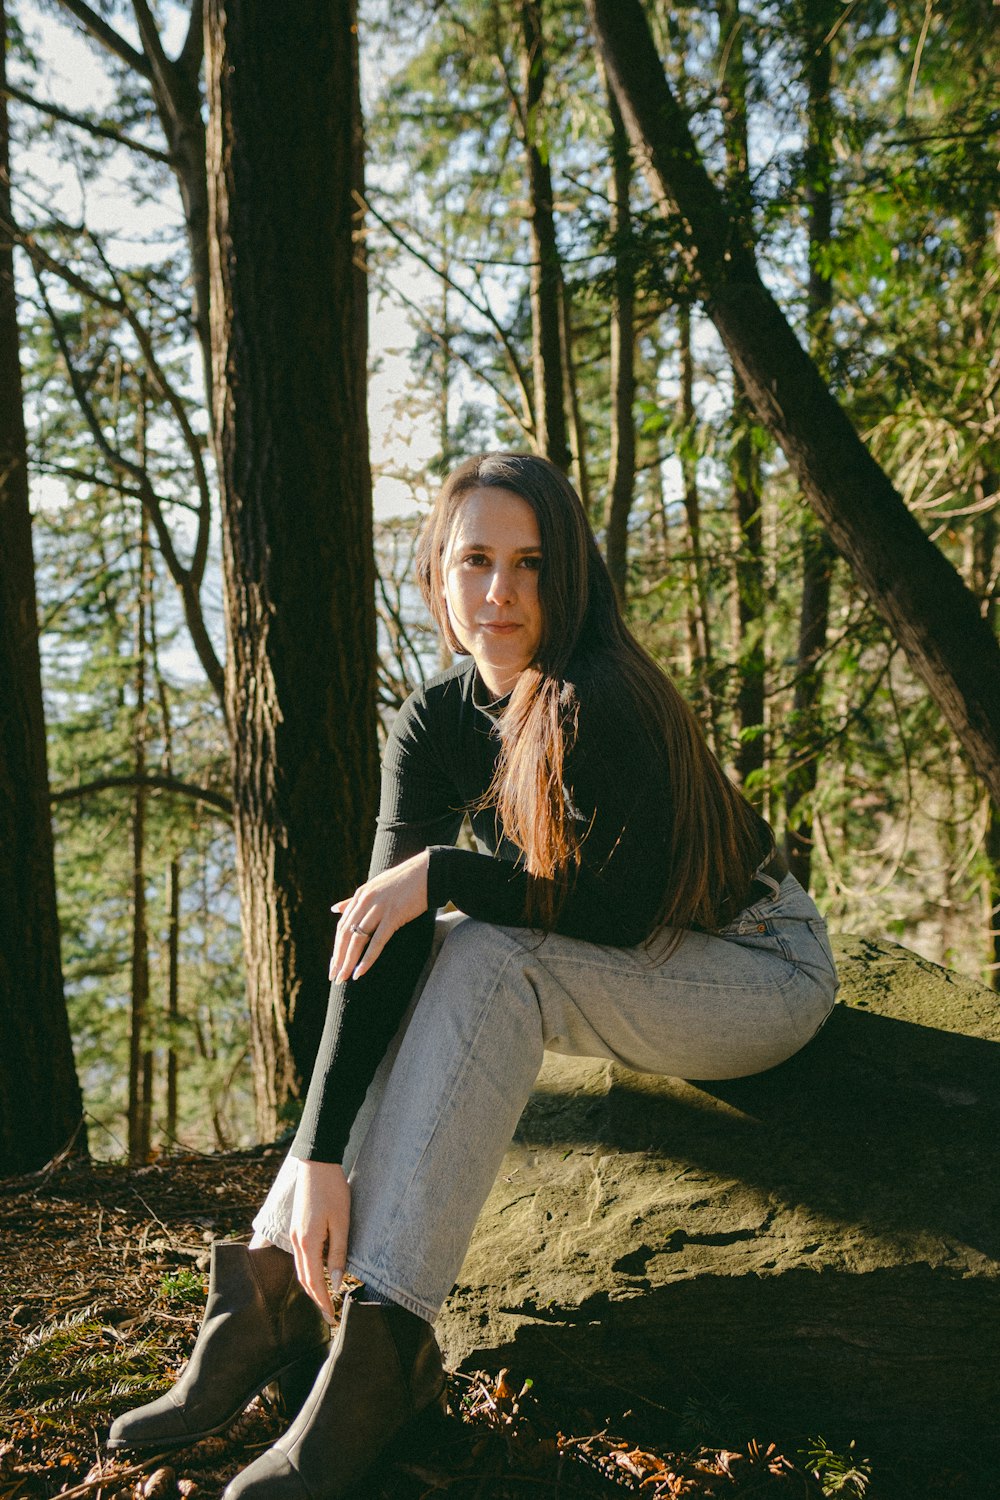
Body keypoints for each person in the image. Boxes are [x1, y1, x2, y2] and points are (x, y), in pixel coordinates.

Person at [108, 453, 838, 1497]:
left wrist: (443, 871)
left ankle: (383, 1354)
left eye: (531, 564)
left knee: (485, 951)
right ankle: (269, 1291)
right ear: (436, 579)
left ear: (568, 578)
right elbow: (376, 937)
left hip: (758, 966)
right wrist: (317, 1156)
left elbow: (617, 919)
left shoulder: (602, 699)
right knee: (442, 940)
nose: (500, 593)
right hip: (642, 958)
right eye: (476, 561)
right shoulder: (437, 717)